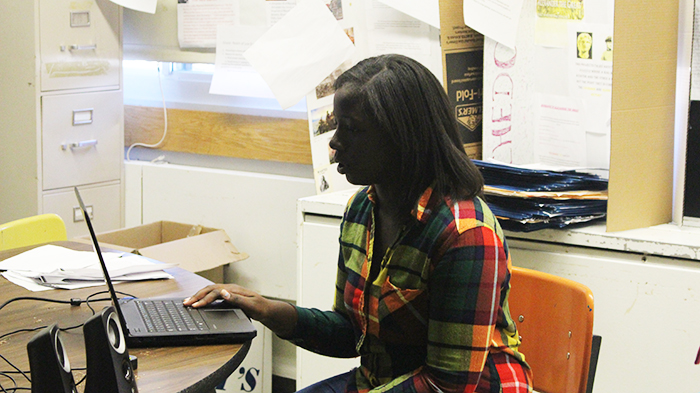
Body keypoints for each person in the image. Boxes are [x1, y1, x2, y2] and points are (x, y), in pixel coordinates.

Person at [184, 54, 532, 393]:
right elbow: (354, 334)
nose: (334, 143)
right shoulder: (361, 210)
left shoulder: (466, 234)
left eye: (351, 129)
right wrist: (269, 310)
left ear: (403, 137)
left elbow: (448, 385)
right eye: (336, 125)